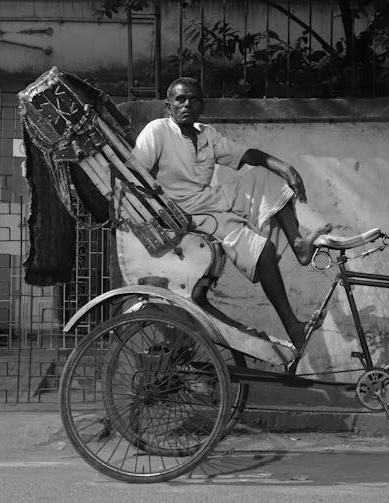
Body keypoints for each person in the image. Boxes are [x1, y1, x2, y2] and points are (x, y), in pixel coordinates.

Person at [131, 77, 332, 352]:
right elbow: (134, 173)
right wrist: (156, 212)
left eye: (193, 99)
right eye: (180, 99)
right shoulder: (158, 130)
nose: (186, 104)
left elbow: (245, 154)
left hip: (210, 202)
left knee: (265, 175)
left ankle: (298, 243)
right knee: (264, 250)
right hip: (182, 215)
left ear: (202, 105)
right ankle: (293, 327)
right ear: (168, 106)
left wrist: (285, 167)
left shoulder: (206, 134)